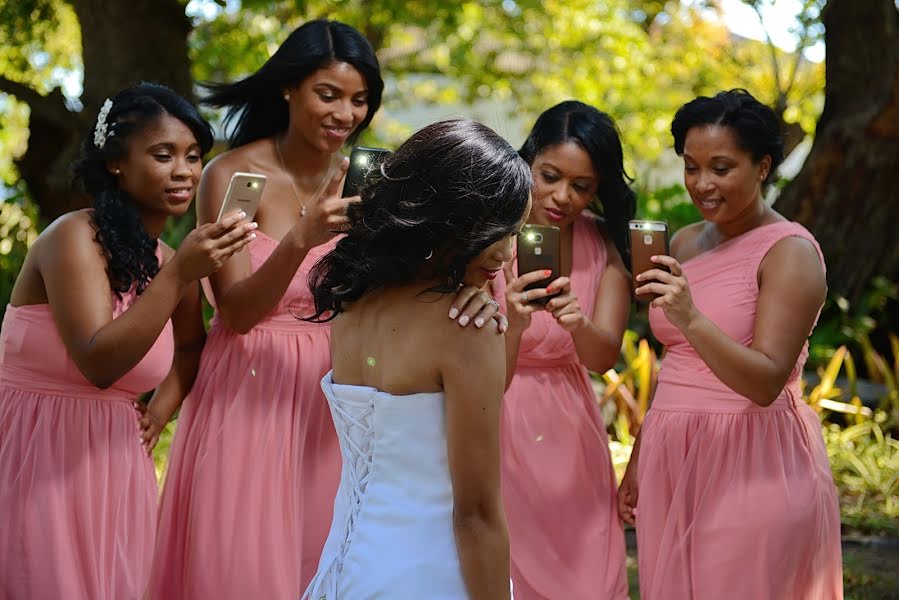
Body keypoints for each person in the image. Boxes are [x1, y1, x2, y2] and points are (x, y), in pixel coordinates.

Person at [149, 19, 503, 599]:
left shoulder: (376, 183)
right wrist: (300, 239)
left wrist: (470, 291)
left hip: (340, 391)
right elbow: (236, 313)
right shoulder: (232, 175)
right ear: (289, 89)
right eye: (328, 94)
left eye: (360, 100)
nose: (345, 113)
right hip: (250, 389)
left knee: (329, 552)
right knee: (242, 564)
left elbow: (412, 277)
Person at [0, 83, 253, 600]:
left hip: (117, 466)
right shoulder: (73, 237)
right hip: (35, 457)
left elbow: (189, 350)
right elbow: (98, 361)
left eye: (193, 157)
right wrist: (180, 272)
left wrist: (160, 410)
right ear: (116, 162)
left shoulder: (170, 263)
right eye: (164, 155)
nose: (184, 171)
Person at [618, 89, 842, 599]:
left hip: (751, 455)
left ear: (762, 166)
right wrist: (640, 455)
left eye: (721, 168)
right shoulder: (684, 242)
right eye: (691, 166)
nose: (702, 184)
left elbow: (766, 381)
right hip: (674, 452)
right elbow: (677, 363)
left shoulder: (790, 253)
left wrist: (689, 315)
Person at [302, 118, 530, 600]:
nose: (507, 255)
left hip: (344, 573)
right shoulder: (467, 330)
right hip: (432, 575)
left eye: (517, 234)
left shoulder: (350, 301)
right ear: (453, 218)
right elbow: (476, 516)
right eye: (498, 233)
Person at [492, 100, 632, 599]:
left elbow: (601, 357)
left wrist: (577, 322)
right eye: (549, 175)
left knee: (587, 572)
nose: (561, 196)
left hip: (570, 429)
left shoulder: (603, 244)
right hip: (493, 419)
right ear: (527, 161)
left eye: (582, 186)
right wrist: (514, 322)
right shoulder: (482, 232)